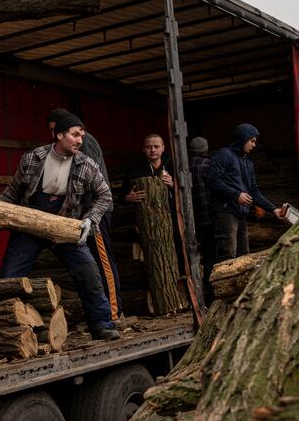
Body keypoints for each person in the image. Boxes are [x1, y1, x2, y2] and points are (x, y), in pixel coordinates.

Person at [0, 112, 119, 340]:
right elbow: (12, 191)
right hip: (31, 225)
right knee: (11, 276)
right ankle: (6, 330)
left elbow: (105, 196)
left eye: (81, 136)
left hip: (65, 227)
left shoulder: (86, 164)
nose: (80, 140)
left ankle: (102, 324)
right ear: (60, 135)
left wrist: (90, 219)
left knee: (88, 272)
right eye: (75, 135)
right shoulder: (34, 158)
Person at [47, 109, 122, 321]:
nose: (54, 135)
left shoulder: (84, 142)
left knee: (103, 262)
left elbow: (86, 179)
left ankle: (115, 312)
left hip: (95, 212)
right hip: (85, 213)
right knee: (94, 263)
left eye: (55, 129)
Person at [206, 123, 286, 261]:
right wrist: (236, 195)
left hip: (241, 214)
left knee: (244, 257)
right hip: (226, 212)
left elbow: (253, 191)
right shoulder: (224, 155)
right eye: (252, 141)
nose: (254, 145)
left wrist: (274, 210)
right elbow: (212, 181)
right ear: (243, 139)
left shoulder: (248, 163)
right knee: (227, 257)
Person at [121, 133, 185, 272]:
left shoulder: (173, 167)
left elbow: (186, 196)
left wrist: (173, 185)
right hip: (147, 223)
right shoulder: (135, 170)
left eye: (156, 146)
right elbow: (121, 197)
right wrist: (129, 198)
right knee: (153, 261)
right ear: (143, 149)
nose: (153, 150)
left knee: (177, 253)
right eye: (149, 147)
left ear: (163, 148)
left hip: (172, 220)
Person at [188, 136, 215, 299]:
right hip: (208, 217)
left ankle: (194, 292)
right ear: (205, 149)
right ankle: (210, 291)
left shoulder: (183, 166)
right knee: (210, 255)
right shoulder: (208, 165)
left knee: (192, 254)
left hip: (190, 220)